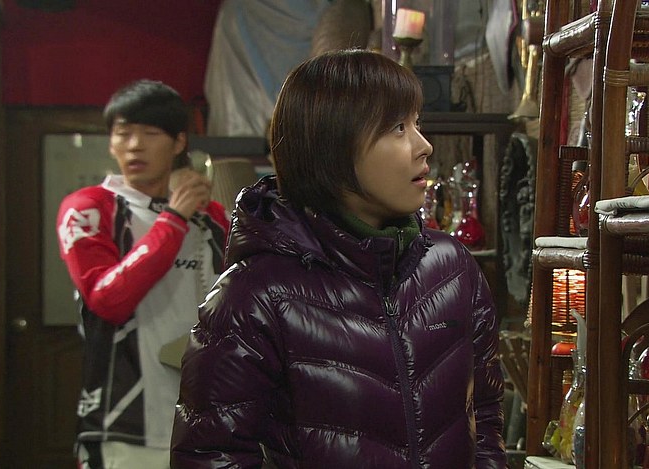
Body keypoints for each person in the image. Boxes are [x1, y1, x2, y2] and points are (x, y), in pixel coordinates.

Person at [171, 49, 507, 468]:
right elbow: (210, 456)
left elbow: (485, 415)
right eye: (397, 128)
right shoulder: (256, 294)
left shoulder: (452, 267)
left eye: (416, 123)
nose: (424, 146)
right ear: (332, 147)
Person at [55, 79, 229, 468]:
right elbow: (107, 300)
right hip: (123, 426)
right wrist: (173, 219)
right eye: (123, 134)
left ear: (179, 143)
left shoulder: (213, 219)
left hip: (207, 425)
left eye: (150, 134)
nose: (135, 145)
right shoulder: (89, 208)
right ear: (111, 143)